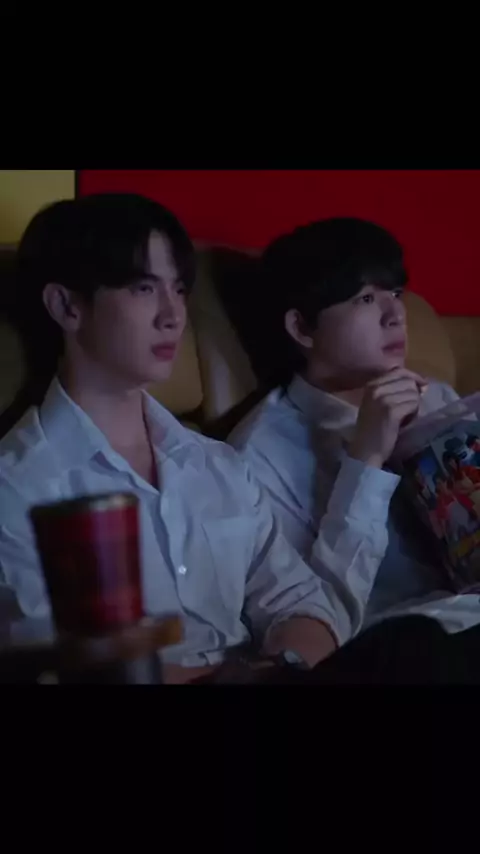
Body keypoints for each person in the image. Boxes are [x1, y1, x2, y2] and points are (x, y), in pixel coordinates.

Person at [0, 195, 385, 684]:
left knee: (417, 645)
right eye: (143, 288)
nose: (173, 315)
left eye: (179, 289)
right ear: (66, 305)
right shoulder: (18, 485)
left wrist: (280, 668)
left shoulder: (218, 464)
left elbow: (301, 602)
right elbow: (72, 667)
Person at [228, 217, 480, 636]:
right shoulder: (259, 456)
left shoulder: (434, 396)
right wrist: (366, 459)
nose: (396, 314)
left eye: (395, 293)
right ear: (302, 327)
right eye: (365, 299)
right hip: (397, 642)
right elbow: (314, 615)